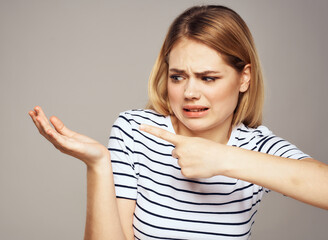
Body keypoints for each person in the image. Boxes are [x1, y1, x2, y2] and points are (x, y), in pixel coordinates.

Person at [28, 5, 328, 240]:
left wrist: (223, 158)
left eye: (208, 78)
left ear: (244, 78)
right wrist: (98, 165)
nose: (190, 93)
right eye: (178, 77)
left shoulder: (255, 146)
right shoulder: (136, 131)